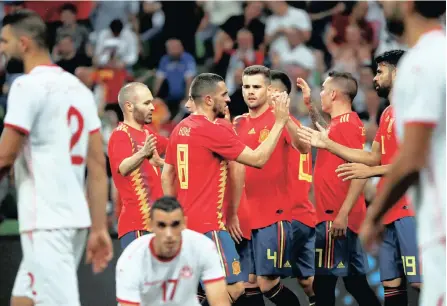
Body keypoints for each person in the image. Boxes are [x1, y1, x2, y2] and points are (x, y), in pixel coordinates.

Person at [0, 10, 112, 306]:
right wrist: (99, 228)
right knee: (23, 300)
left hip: (45, 220)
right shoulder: (79, 88)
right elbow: (98, 166)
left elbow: (4, 157)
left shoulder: (26, 86)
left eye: (4, 40)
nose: (2, 47)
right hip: (74, 219)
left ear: (23, 43)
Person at [297, 50, 422, 305]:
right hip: (387, 209)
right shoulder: (387, 113)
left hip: (407, 207)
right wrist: (324, 134)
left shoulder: (412, 111)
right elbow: (373, 157)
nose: (375, 78)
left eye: (380, 71)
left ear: (397, 72)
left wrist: (368, 174)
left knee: (419, 280)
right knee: (389, 284)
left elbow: (411, 162)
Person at [161, 72, 290, 304]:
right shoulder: (211, 130)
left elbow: (167, 174)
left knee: (208, 288)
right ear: (209, 100)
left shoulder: (180, 128)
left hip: (187, 225)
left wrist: (173, 216)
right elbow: (258, 159)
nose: (229, 99)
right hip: (209, 226)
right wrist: (280, 121)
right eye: (223, 95)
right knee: (233, 287)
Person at [362, 2, 446, 306]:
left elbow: (410, 159)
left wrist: (374, 214)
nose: (383, 5)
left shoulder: (421, 63)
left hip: (439, 217)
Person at [295, 72, 381, 305]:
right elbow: (327, 135)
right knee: (354, 282)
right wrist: (309, 105)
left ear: (333, 94)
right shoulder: (341, 124)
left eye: (323, 89)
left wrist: (342, 215)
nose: (320, 93)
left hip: (336, 216)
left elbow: (361, 167)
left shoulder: (348, 124)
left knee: (323, 284)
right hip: (335, 215)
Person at [233, 65, 309, 306]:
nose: (251, 92)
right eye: (247, 87)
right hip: (245, 217)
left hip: (273, 215)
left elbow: (304, 147)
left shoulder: (281, 118)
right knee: (248, 284)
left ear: (268, 89)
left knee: (267, 283)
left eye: (257, 87)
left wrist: (284, 119)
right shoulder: (239, 123)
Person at [115, 196, 230, 306]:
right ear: (150, 225)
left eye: (175, 224)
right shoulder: (132, 258)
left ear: (184, 223)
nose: (169, 234)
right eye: (161, 225)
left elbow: (219, 302)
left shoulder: (203, 247)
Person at [270, 70, 316, 306]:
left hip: (285, 218)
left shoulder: (277, 128)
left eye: (269, 90)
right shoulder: (298, 126)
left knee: (257, 281)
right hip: (304, 215)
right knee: (307, 281)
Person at [108, 82, 168, 249]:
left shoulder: (147, 133)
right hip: (138, 225)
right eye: (146, 103)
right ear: (129, 106)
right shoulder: (121, 134)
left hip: (156, 224)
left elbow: (176, 146)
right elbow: (123, 168)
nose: (152, 108)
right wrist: (142, 153)